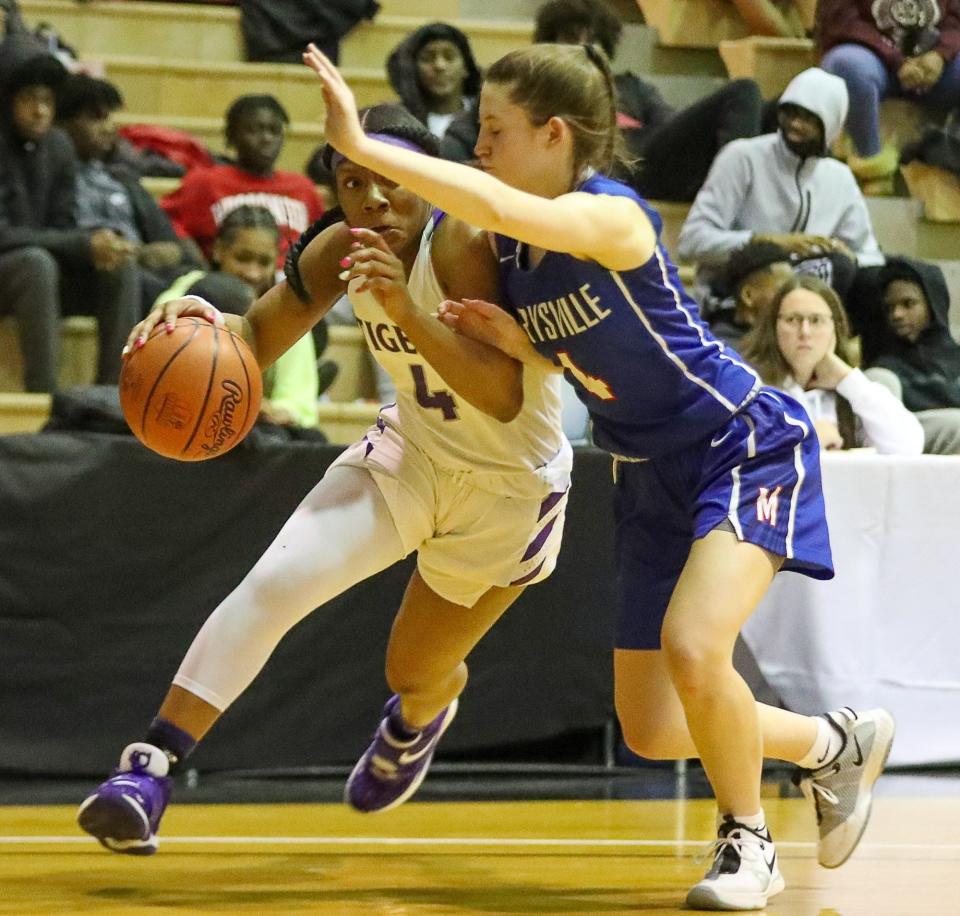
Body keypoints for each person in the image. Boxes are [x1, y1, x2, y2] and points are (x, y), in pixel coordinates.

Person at [301, 43, 896, 911]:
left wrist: (365, 142)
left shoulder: (612, 215)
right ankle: (830, 744)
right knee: (655, 727)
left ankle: (747, 845)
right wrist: (524, 346)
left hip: (739, 442)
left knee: (697, 646)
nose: (479, 148)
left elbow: (494, 202)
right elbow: (593, 344)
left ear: (553, 135)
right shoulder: (511, 251)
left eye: (494, 130)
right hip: (644, 468)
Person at [77, 102, 572, 851]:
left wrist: (406, 309)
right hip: (413, 455)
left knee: (413, 670)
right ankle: (147, 771)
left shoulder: (464, 243)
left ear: (427, 178)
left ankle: (418, 721)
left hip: (509, 489)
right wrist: (194, 320)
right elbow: (252, 339)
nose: (373, 200)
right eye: (352, 182)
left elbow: (503, 396)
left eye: (391, 180)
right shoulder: (344, 246)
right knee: (274, 586)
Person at [0, 48, 139, 391]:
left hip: (40, 274)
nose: (41, 110)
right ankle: (44, 396)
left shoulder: (58, 146)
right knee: (36, 263)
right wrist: (80, 242)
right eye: (30, 99)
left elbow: (62, 227)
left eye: (47, 100)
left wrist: (99, 243)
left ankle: (113, 394)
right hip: (17, 272)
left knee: (117, 266)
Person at [533, 0, 763, 202]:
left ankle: (734, 193)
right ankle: (735, 198)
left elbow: (669, 128)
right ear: (550, 45)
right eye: (571, 38)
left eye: (593, 39)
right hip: (612, 177)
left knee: (772, 102)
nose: (584, 47)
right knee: (741, 91)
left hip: (653, 164)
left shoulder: (631, 86)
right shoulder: (544, 93)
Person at [677, 67, 884, 289]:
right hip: (734, 293)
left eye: (809, 119)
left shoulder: (839, 178)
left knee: (870, 278)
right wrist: (770, 244)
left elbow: (871, 256)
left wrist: (849, 257)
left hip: (804, 297)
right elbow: (691, 242)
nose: (795, 124)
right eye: (791, 113)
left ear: (830, 128)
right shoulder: (742, 157)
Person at [153, 204, 328, 429]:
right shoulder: (189, 288)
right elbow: (155, 345)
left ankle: (314, 376)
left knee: (308, 438)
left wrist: (270, 410)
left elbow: (295, 405)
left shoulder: (284, 307)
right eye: (243, 258)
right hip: (183, 410)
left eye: (263, 262)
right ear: (218, 251)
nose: (252, 273)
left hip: (251, 425)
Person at [55, 73, 204, 315]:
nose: (108, 128)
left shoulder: (121, 179)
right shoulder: (50, 179)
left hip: (144, 272)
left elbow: (172, 245)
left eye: (109, 118)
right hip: (86, 278)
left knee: (217, 289)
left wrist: (156, 253)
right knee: (147, 285)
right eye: (96, 117)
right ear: (61, 124)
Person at [740, 274, 923, 454]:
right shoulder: (750, 386)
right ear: (773, 328)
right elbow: (732, 454)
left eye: (816, 320)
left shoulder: (849, 393)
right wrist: (808, 439)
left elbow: (908, 447)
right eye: (792, 320)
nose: (805, 332)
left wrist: (847, 379)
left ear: (835, 328)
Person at [160, 94, 324, 267]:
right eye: (254, 130)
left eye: (275, 131)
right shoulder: (204, 182)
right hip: (229, 282)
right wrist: (200, 263)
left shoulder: (303, 187)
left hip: (292, 281)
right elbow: (165, 223)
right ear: (232, 135)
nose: (267, 138)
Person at [818, 0, 960, 192]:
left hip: (936, 67)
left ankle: (952, 167)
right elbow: (842, 22)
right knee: (845, 65)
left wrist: (940, 54)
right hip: (871, 58)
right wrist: (897, 60)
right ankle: (871, 167)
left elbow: (956, 20)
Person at [862, 256, 960, 454]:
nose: (897, 315)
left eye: (908, 304)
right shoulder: (884, 367)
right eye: (890, 308)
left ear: (933, 305)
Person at [707, 240, 857, 349]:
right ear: (748, 296)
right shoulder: (724, 351)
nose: (793, 295)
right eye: (784, 288)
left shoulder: (788, 335)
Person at [386, 21, 482, 163]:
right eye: (427, 58)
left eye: (449, 57)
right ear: (413, 69)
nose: (439, 66)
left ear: (466, 67)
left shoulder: (484, 116)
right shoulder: (398, 121)